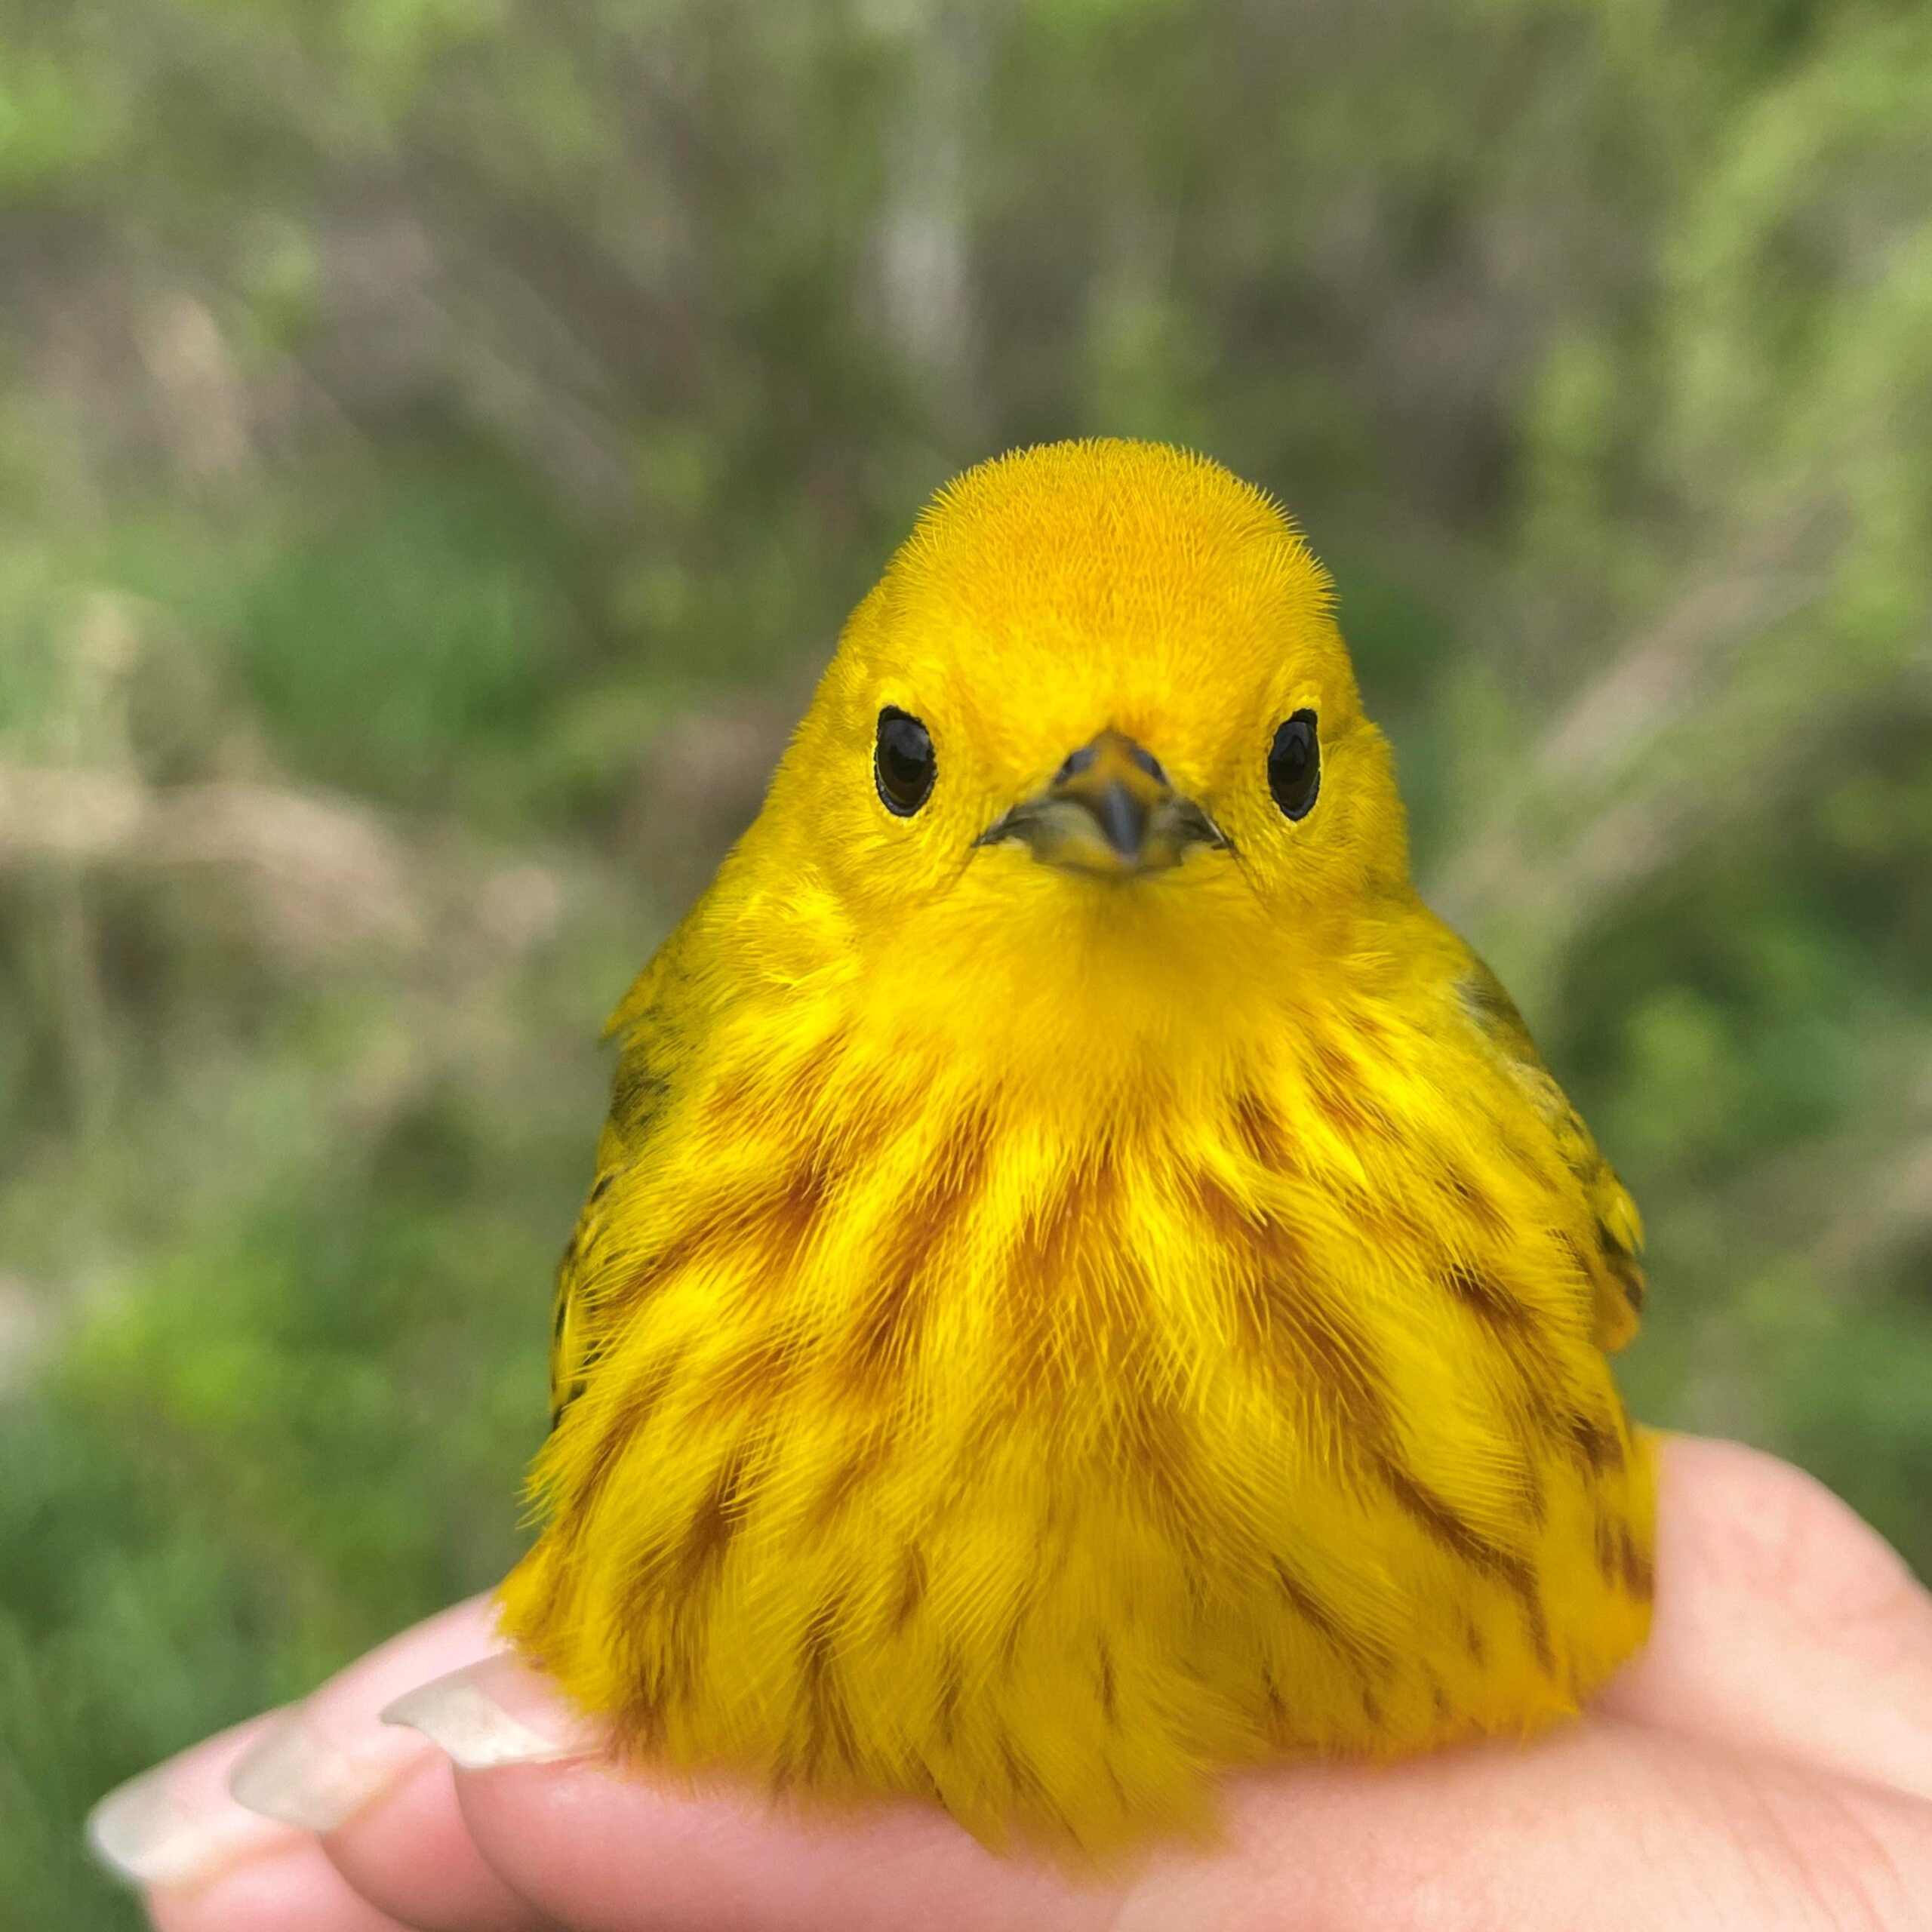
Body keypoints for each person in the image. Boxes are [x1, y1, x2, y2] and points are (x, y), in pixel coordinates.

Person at [91, 1437, 1932, 1931]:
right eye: (917, 765)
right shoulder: (740, 1103)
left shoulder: (1452, 1123)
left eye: (1267, 771)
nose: (1114, 822)